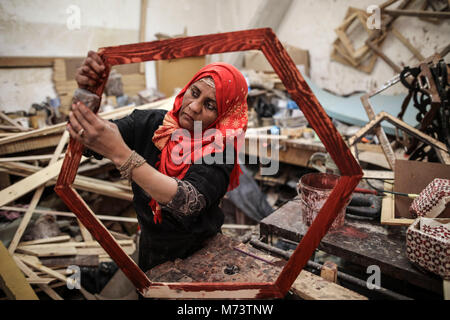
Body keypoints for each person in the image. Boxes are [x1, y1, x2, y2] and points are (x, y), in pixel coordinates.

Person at [67, 51, 249, 274]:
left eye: (210, 105)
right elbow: (87, 138)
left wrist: (122, 155)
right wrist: (86, 93)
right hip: (151, 248)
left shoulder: (221, 149)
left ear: (224, 115)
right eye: (194, 93)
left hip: (201, 255)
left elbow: (188, 201)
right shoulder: (153, 123)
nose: (193, 107)